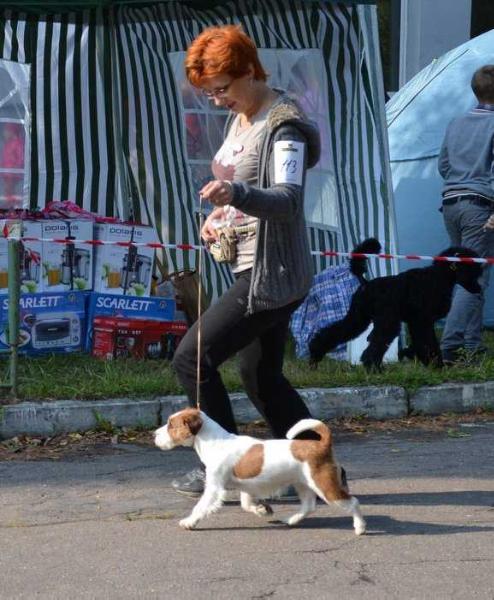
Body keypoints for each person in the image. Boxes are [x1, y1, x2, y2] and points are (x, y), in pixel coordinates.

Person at [171, 24, 321, 497]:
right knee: (262, 377)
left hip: (272, 273)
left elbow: (287, 199)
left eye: (222, 89)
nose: (217, 100)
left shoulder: (285, 125)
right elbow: (241, 189)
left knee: (192, 357)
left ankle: (226, 466)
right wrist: (219, 214)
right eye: (209, 92)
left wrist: (235, 192)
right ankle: (320, 467)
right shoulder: (243, 117)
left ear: (250, 72)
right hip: (250, 265)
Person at [438, 64, 494, 364]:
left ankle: (472, 345)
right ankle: (451, 345)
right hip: (479, 206)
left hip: (451, 204)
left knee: (471, 273)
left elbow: (443, 165)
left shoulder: (455, 122)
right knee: (474, 279)